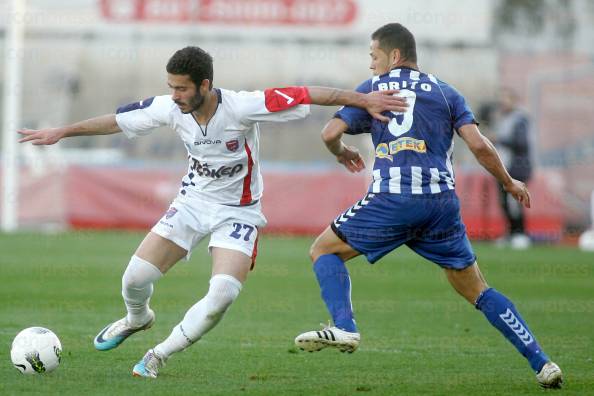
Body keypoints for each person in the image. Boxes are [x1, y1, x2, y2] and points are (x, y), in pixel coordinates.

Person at [18, 46, 407, 378]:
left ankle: (158, 356)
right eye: (171, 86)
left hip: (238, 213)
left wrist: (364, 100)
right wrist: (62, 132)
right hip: (190, 205)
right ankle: (138, 318)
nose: (174, 95)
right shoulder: (170, 108)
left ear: (205, 85)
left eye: (182, 88)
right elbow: (117, 121)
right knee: (134, 278)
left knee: (222, 293)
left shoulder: (242, 106)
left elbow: (307, 94)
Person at [293, 24, 563, 389]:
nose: (371, 64)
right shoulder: (446, 91)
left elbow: (329, 133)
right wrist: (508, 181)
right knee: (478, 289)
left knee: (323, 250)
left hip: (392, 200)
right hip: (441, 206)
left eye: (374, 56)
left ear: (394, 56)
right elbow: (480, 145)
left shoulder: (373, 88)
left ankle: (344, 327)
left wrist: (341, 153)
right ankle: (542, 363)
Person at [493, 87, 534, 249]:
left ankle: (520, 234)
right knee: (504, 202)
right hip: (503, 168)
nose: (502, 103)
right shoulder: (503, 119)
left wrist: (499, 139)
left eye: (506, 99)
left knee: (514, 202)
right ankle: (511, 233)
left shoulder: (520, 119)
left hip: (516, 168)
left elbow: (522, 144)